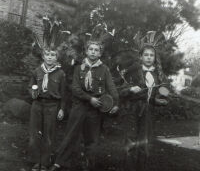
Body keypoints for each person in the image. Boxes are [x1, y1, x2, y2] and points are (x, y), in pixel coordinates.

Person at [48, 40, 119, 171]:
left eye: (96, 50)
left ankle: (88, 165)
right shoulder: (78, 68)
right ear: (86, 52)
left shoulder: (104, 70)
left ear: (100, 54)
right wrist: (89, 98)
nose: (93, 52)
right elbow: (75, 88)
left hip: (95, 109)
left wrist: (116, 103)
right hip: (79, 106)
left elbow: (112, 88)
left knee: (92, 139)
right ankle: (60, 162)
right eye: (91, 49)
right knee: (70, 135)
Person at [120, 42, 168, 171]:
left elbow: (161, 94)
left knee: (144, 143)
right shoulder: (132, 72)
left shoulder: (158, 75)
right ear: (140, 57)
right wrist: (130, 89)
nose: (148, 57)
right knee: (130, 143)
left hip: (148, 112)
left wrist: (161, 100)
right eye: (146, 55)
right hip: (132, 110)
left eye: (151, 55)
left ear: (155, 57)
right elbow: (121, 91)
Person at [29, 48, 66, 171]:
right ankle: (36, 161)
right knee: (35, 134)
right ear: (43, 56)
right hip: (37, 105)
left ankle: (44, 162)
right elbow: (31, 86)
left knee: (48, 135)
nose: (50, 57)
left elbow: (63, 93)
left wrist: (61, 109)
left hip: (52, 106)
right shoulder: (37, 71)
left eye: (53, 55)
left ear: (57, 57)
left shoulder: (60, 74)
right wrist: (33, 92)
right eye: (47, 54)